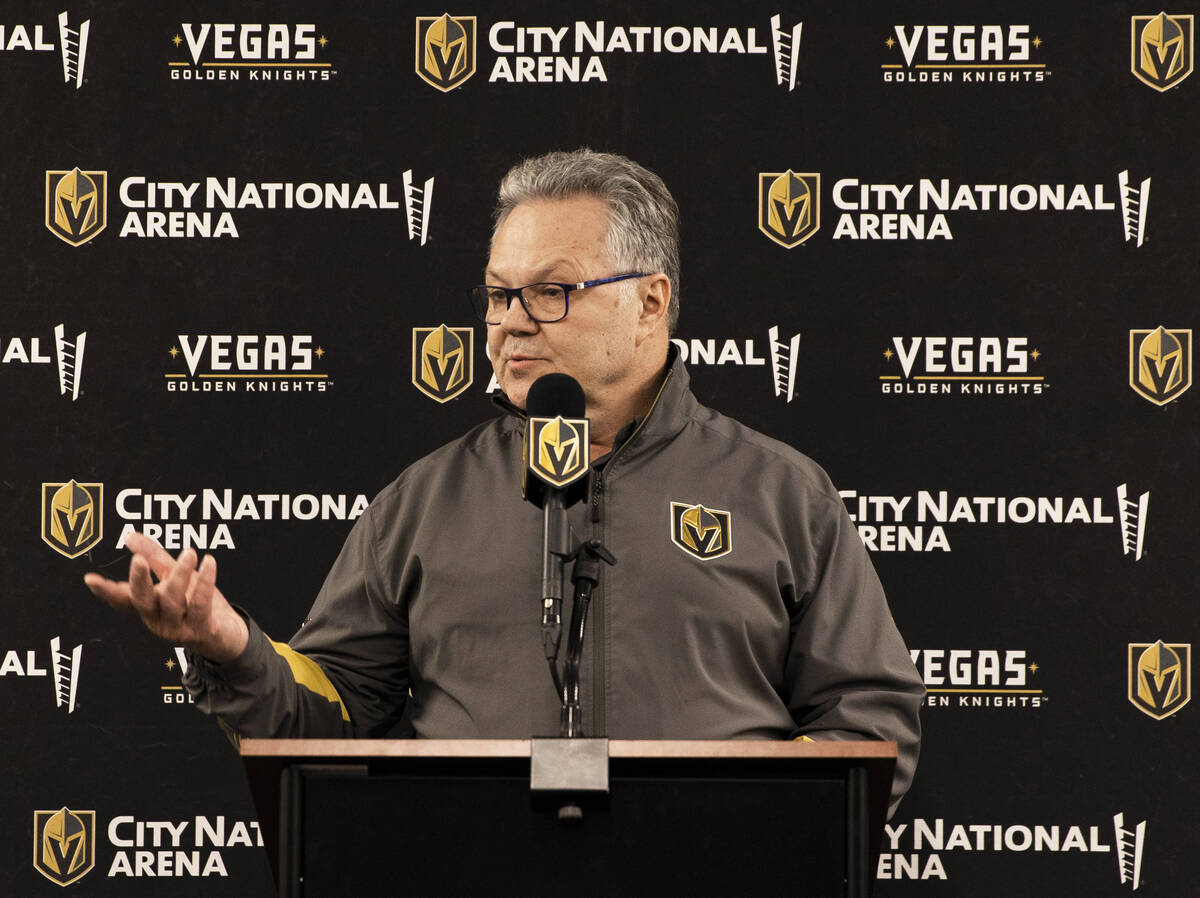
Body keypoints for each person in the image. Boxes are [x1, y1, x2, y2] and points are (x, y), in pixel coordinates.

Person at [86, 149, 923, 815]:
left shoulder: (782, 493)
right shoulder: (422, 502)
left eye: (552, 291)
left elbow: (869, 719)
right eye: (497, 294)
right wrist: (230, 646)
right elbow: (330, 716)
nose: (512, 320)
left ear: (651, 301)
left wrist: (744, 827)